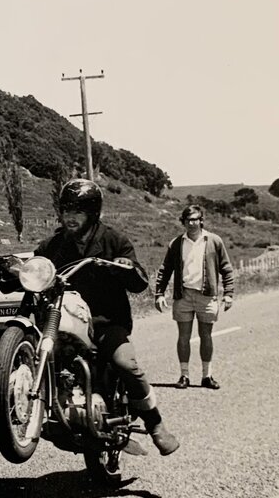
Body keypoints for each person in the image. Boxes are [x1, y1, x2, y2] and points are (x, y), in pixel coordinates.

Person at [33, 179, 179, 456]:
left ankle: (156, 424)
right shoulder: (54, 245)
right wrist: (18, 269)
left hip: (106, 322)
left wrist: (126, 267)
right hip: (64, 322)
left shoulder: (113, 240)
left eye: (78, 211)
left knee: (125, 363)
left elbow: (139, 282)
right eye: (66, 210)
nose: (70, 217)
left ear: (93, 213)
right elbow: (36, 264)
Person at [153, 204, 235, 389]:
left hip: (206, 295)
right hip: (184, 295)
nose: (192, 223)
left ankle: (207, 376)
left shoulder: (213, 241)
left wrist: (228, 294)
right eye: (188, 220)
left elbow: (226, 269)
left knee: (206, 335)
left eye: (196, 219)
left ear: (201, 221)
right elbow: (165, 270)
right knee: (184, 336)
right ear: (183, 222)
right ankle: (184, 376)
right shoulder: (176, 243)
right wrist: (159, 293)